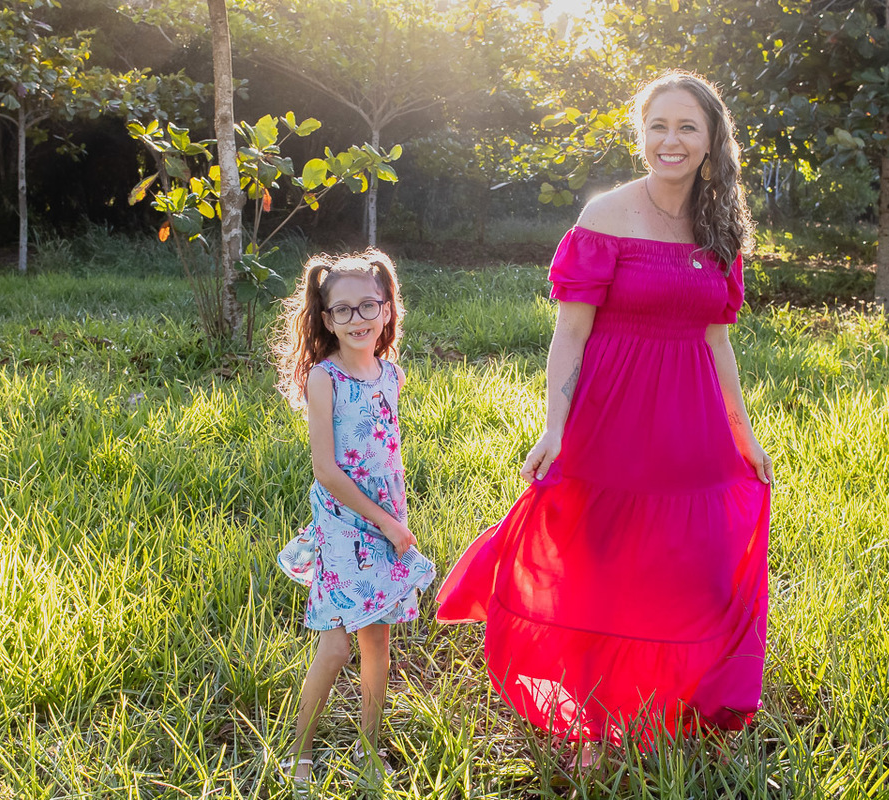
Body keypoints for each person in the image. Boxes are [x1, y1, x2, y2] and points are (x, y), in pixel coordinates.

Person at [435, 70, 773, 756]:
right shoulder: (605, 216)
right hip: (611, 420)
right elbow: (570, 334)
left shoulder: (719, 226)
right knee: (600, 568)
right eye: (657, 126)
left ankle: (659, 710)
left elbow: (718, 340)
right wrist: (554, 427)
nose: (669, 140)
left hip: (691, 426)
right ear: (640, 135)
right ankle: (594, 724)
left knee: (691, 568)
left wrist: (745, 434)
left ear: (711, 141)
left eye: (686, 127)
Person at [272, 249, 436, 787]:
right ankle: (299, 752)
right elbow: (328, 471)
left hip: (386, 516)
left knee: (377, 641)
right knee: (337, 643)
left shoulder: (391, 373)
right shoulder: (326, 379)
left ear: (388, 309)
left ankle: (369, 747)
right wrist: (384, 523)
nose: (358, 318)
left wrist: (393, 518)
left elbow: (385, 453)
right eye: (342, 310)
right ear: (325, 320)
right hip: (346, 523)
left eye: (369, 305)